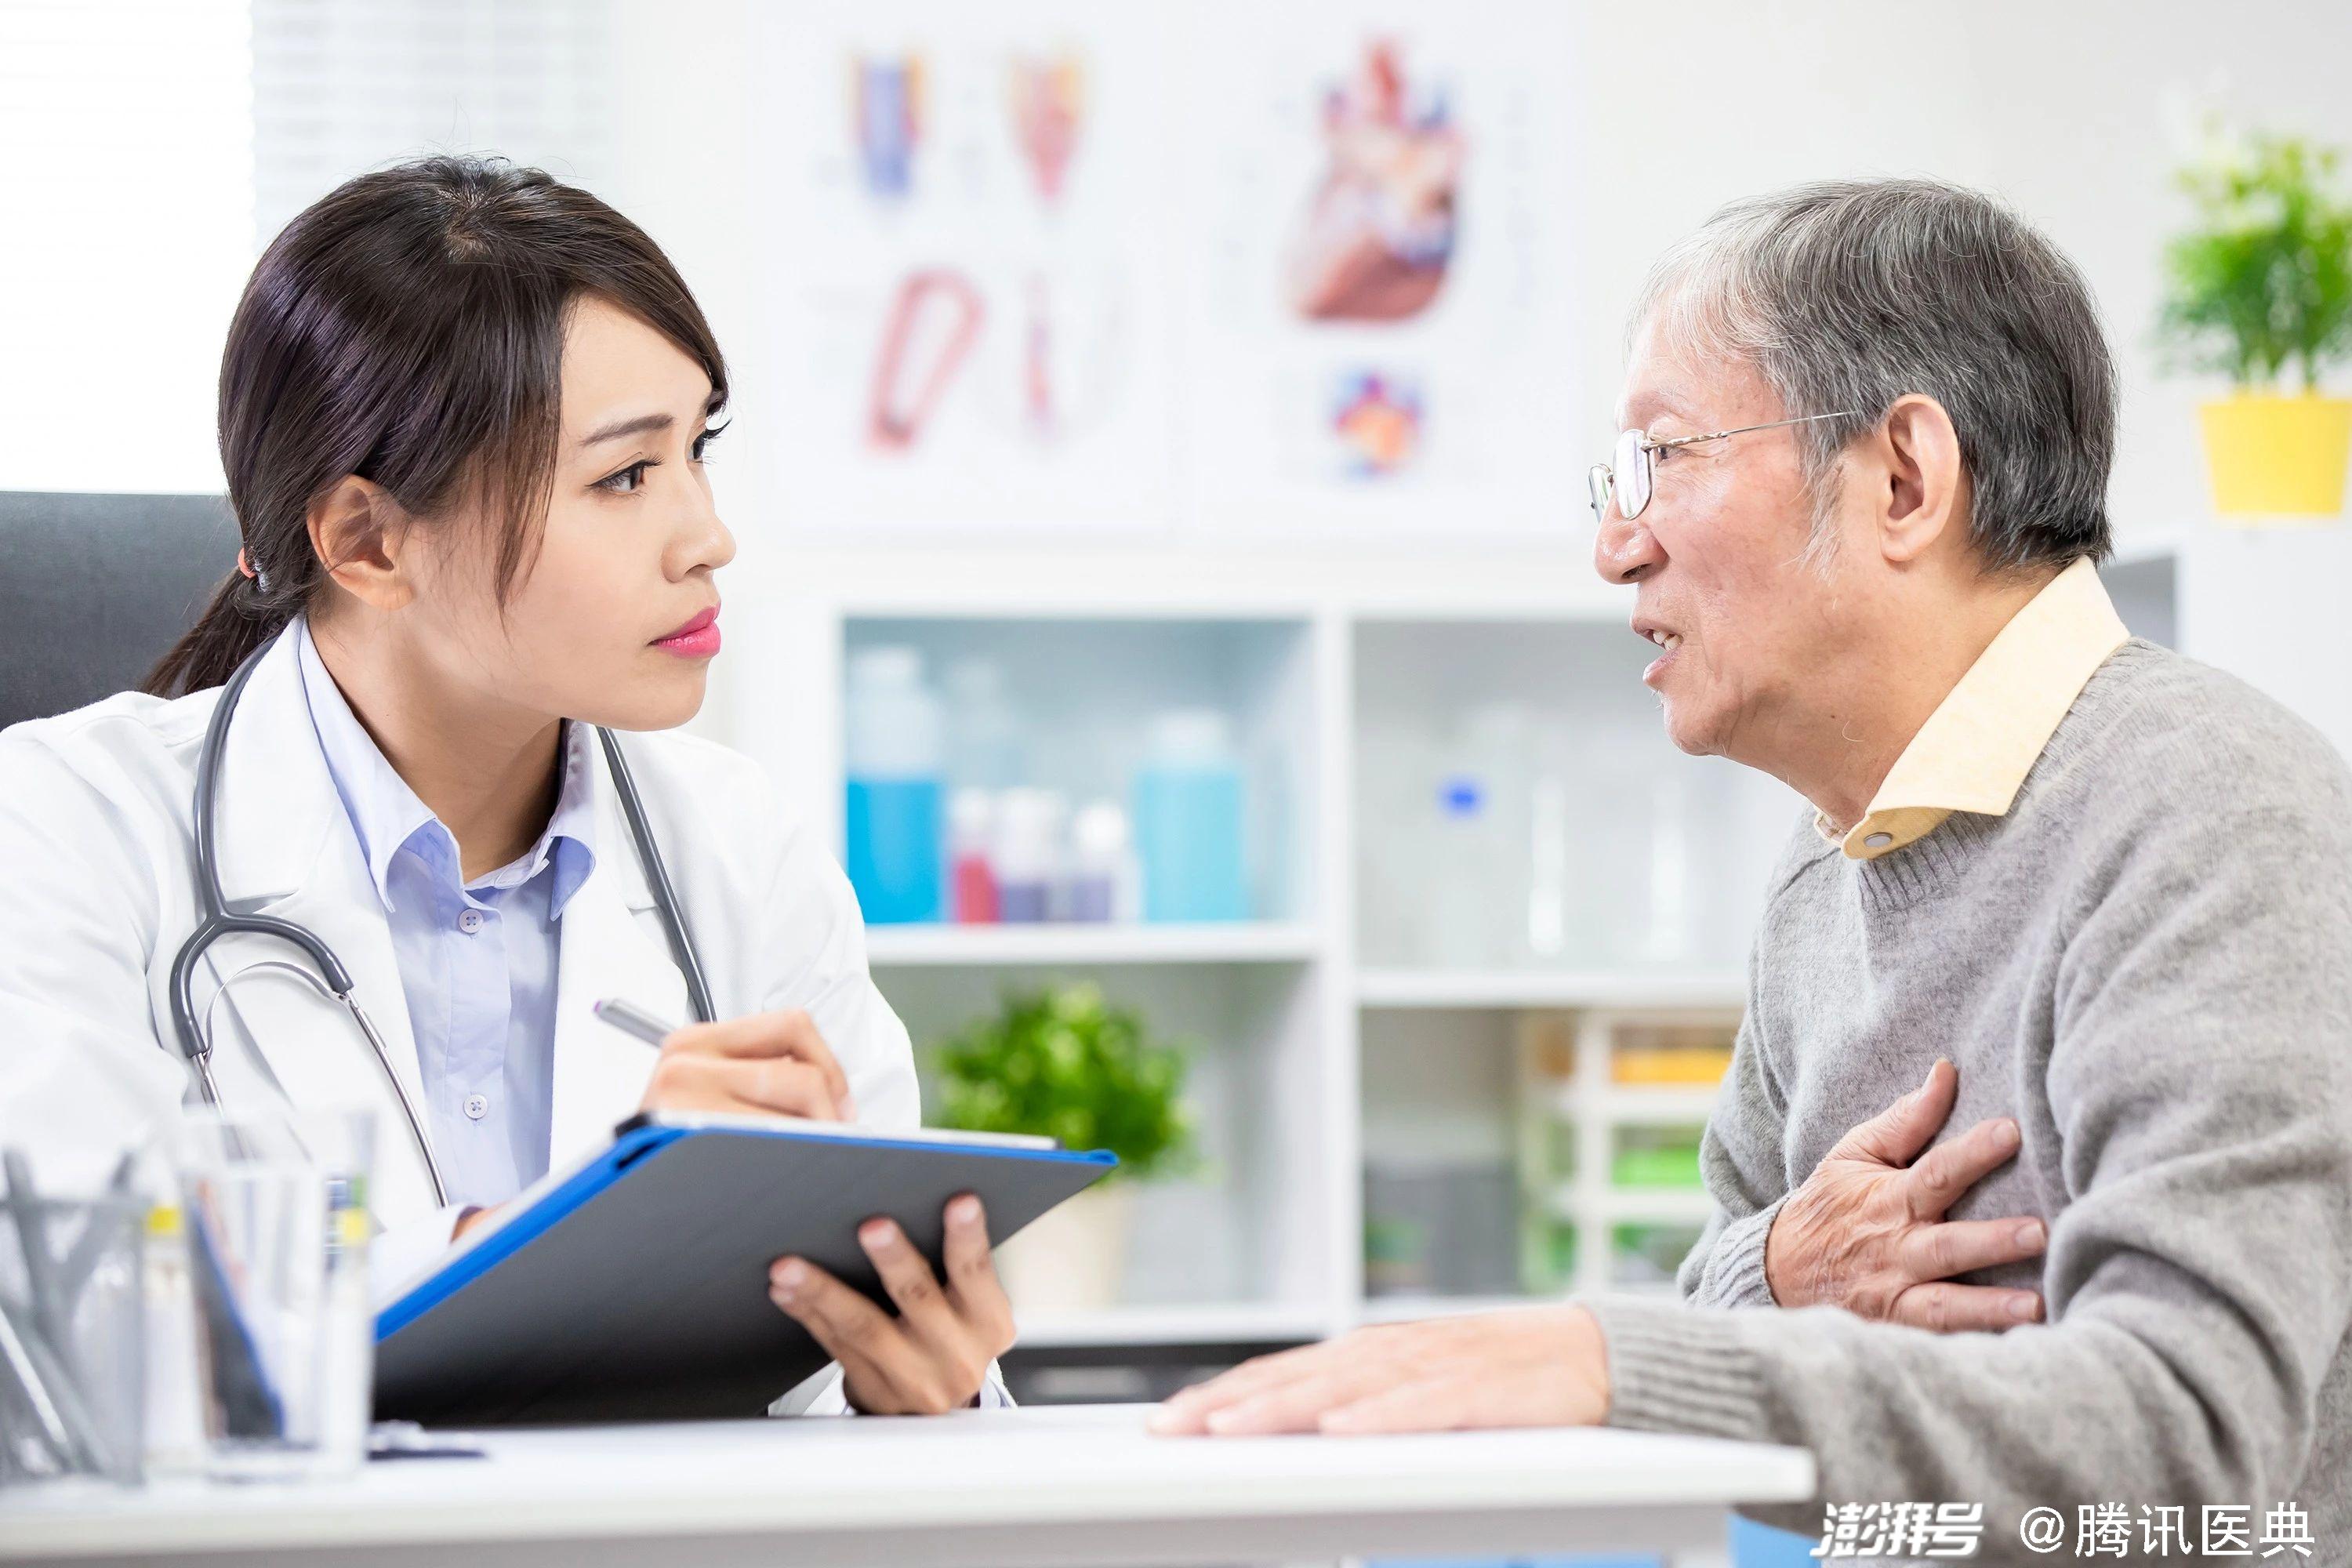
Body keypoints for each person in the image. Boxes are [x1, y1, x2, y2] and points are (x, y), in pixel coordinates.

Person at [1156, 179, 2352, 1553]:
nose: (1617, 546)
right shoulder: (1829, 865)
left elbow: (2193, 1443)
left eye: (1662, 460)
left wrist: (1625, 1364)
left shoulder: (2214, 810)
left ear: (1904, 478)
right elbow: (1729, 1275)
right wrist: (1784, 1267)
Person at [0, 157, 1011, 1417]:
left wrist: (919, 1393)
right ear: (368, 541)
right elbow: (76, 1347)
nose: (708, 535)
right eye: (626, 476)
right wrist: (599, 1221)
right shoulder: (62, 828)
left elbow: (828, 1394)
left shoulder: (739, 848)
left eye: (699, 449)